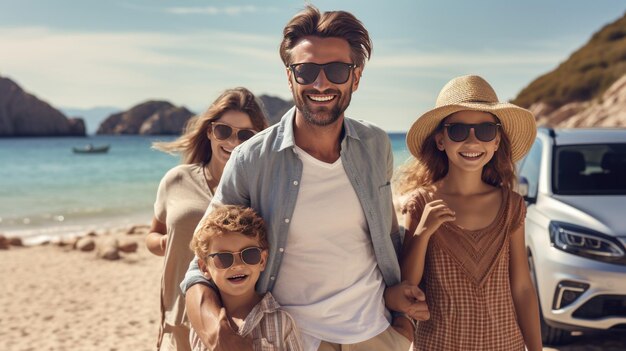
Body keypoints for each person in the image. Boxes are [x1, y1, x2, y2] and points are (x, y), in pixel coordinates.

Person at [181, 5, 429, 351]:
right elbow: (201, 260)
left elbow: (385, 235)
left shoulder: (375, 144)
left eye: (337, 70)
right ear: (289, 77)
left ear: (356, 77)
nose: (321, 83)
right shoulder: (251, 159)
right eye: (307, 70)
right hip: (293, 339)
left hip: (377, 334)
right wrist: (215, 332)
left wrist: (402, 325)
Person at [395, 75, 542, 350]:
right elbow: (407, 285)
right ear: (441, 140)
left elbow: (522, 286)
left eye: (485, 130)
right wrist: (424, 233)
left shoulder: (511, 205)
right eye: (459, 131)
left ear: (496, 141)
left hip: (505, 344)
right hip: (439, 344)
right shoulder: (421, 203)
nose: (472, 141)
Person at [146, 87, 269, 351]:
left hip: (235, 322)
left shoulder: (257, 190)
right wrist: (168, 243)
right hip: (179, 314)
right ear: (210, 131)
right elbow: (151, 235)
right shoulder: (177, 179)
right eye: (224, 130)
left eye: (245, 135)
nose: (233, 142)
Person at [189, 205, 303, 351]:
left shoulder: (281, 322)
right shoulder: (200, 328)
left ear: (262, 260)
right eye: (223, 258)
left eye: (249, 254)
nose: (237, 265)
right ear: (205, 268)